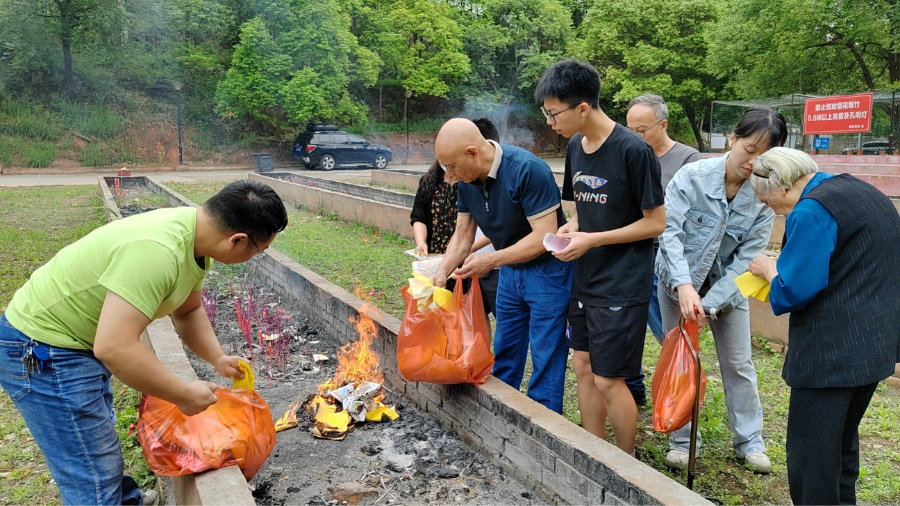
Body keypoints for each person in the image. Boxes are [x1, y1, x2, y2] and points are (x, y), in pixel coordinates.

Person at [0, 180, 288, 506]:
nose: (256, 258)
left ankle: (123, 500)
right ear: (237, 240)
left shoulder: (194, 238)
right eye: (259, 252)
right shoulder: (157, 251)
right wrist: (182, 394)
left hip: (76, 341)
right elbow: (114, 347)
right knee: (89, 469)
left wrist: (217, 358)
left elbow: (188, 310)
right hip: (43, 346)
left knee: (97, 442)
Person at [748, 148, 900, 506]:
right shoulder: (863, 191)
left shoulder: (811, 209)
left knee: (812, 459)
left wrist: (769, 270)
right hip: (874, 344)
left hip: (830, 354)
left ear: (780, 186)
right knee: (842, 447)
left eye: (769, 202)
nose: (774, 211)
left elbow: (794, 290)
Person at [536, 59, 666, 455]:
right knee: (583, 368)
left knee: (611, 378)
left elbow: (655, 223)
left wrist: (593, 239)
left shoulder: (633, 150)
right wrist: (573, 227)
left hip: (622, 283)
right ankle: (595, 453)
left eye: (553, 113)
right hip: (585, 278)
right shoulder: (576, 145)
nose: (549, 122)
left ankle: (625, 462)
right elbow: (582, 207)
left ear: (582, 108)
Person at [656, 107, 787, 473]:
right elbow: (671, 234)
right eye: (749, 148)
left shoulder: (764, 196)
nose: (754, 161)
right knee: (682, 358)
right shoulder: (693, 176)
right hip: (677, 282)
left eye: (765, 155)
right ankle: (682, 441)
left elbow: (748, 259)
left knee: (738, 363)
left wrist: (709, 304)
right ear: (733, 138)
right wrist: (684, 288)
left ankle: (750, 442)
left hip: (728, 292)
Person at [432, 118, 572, 413]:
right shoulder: (467, 183)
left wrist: (491, 260)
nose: (450, 176)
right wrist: (443, 269)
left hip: (548, 271)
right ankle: (503, 416)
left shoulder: (527, 170)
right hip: (510, 270)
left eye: (452, 167)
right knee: (506, 345)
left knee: (546, 352)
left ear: (473, 153)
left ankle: (544, 424)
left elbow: (544, 238)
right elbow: (463, 234)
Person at [624, 93, 702, 405]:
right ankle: (633, 387)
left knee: (668, 331)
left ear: (663, 124)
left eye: (640, 129)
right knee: (628, 326)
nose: (634, 136)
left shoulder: (688, 160)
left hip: (664, 255)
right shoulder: (629, 153)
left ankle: (683, 392)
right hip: (630, 252)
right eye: (629, 129)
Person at [410, 118, 500, 317]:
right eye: (446, 165)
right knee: (438, 310)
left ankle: (473, 348)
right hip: (440, 258)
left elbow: (486, 230)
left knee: (473, 314)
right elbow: (419, 217)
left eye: (453, 165)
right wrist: (423, 245)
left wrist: (465, 252)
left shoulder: (474, 182)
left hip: (469, 259)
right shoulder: (432, 181)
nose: (451, 172)